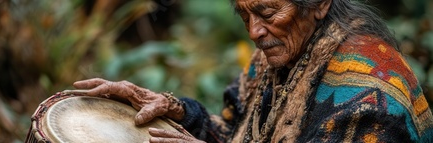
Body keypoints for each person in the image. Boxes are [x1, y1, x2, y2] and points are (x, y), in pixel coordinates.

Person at [67, 0, 433, 142]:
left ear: (319, 4)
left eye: (267, 14)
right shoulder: (280, 54)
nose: (254, 32)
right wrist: (176, 110)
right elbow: (233, 131)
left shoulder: (371, 103)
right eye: (245, 16)